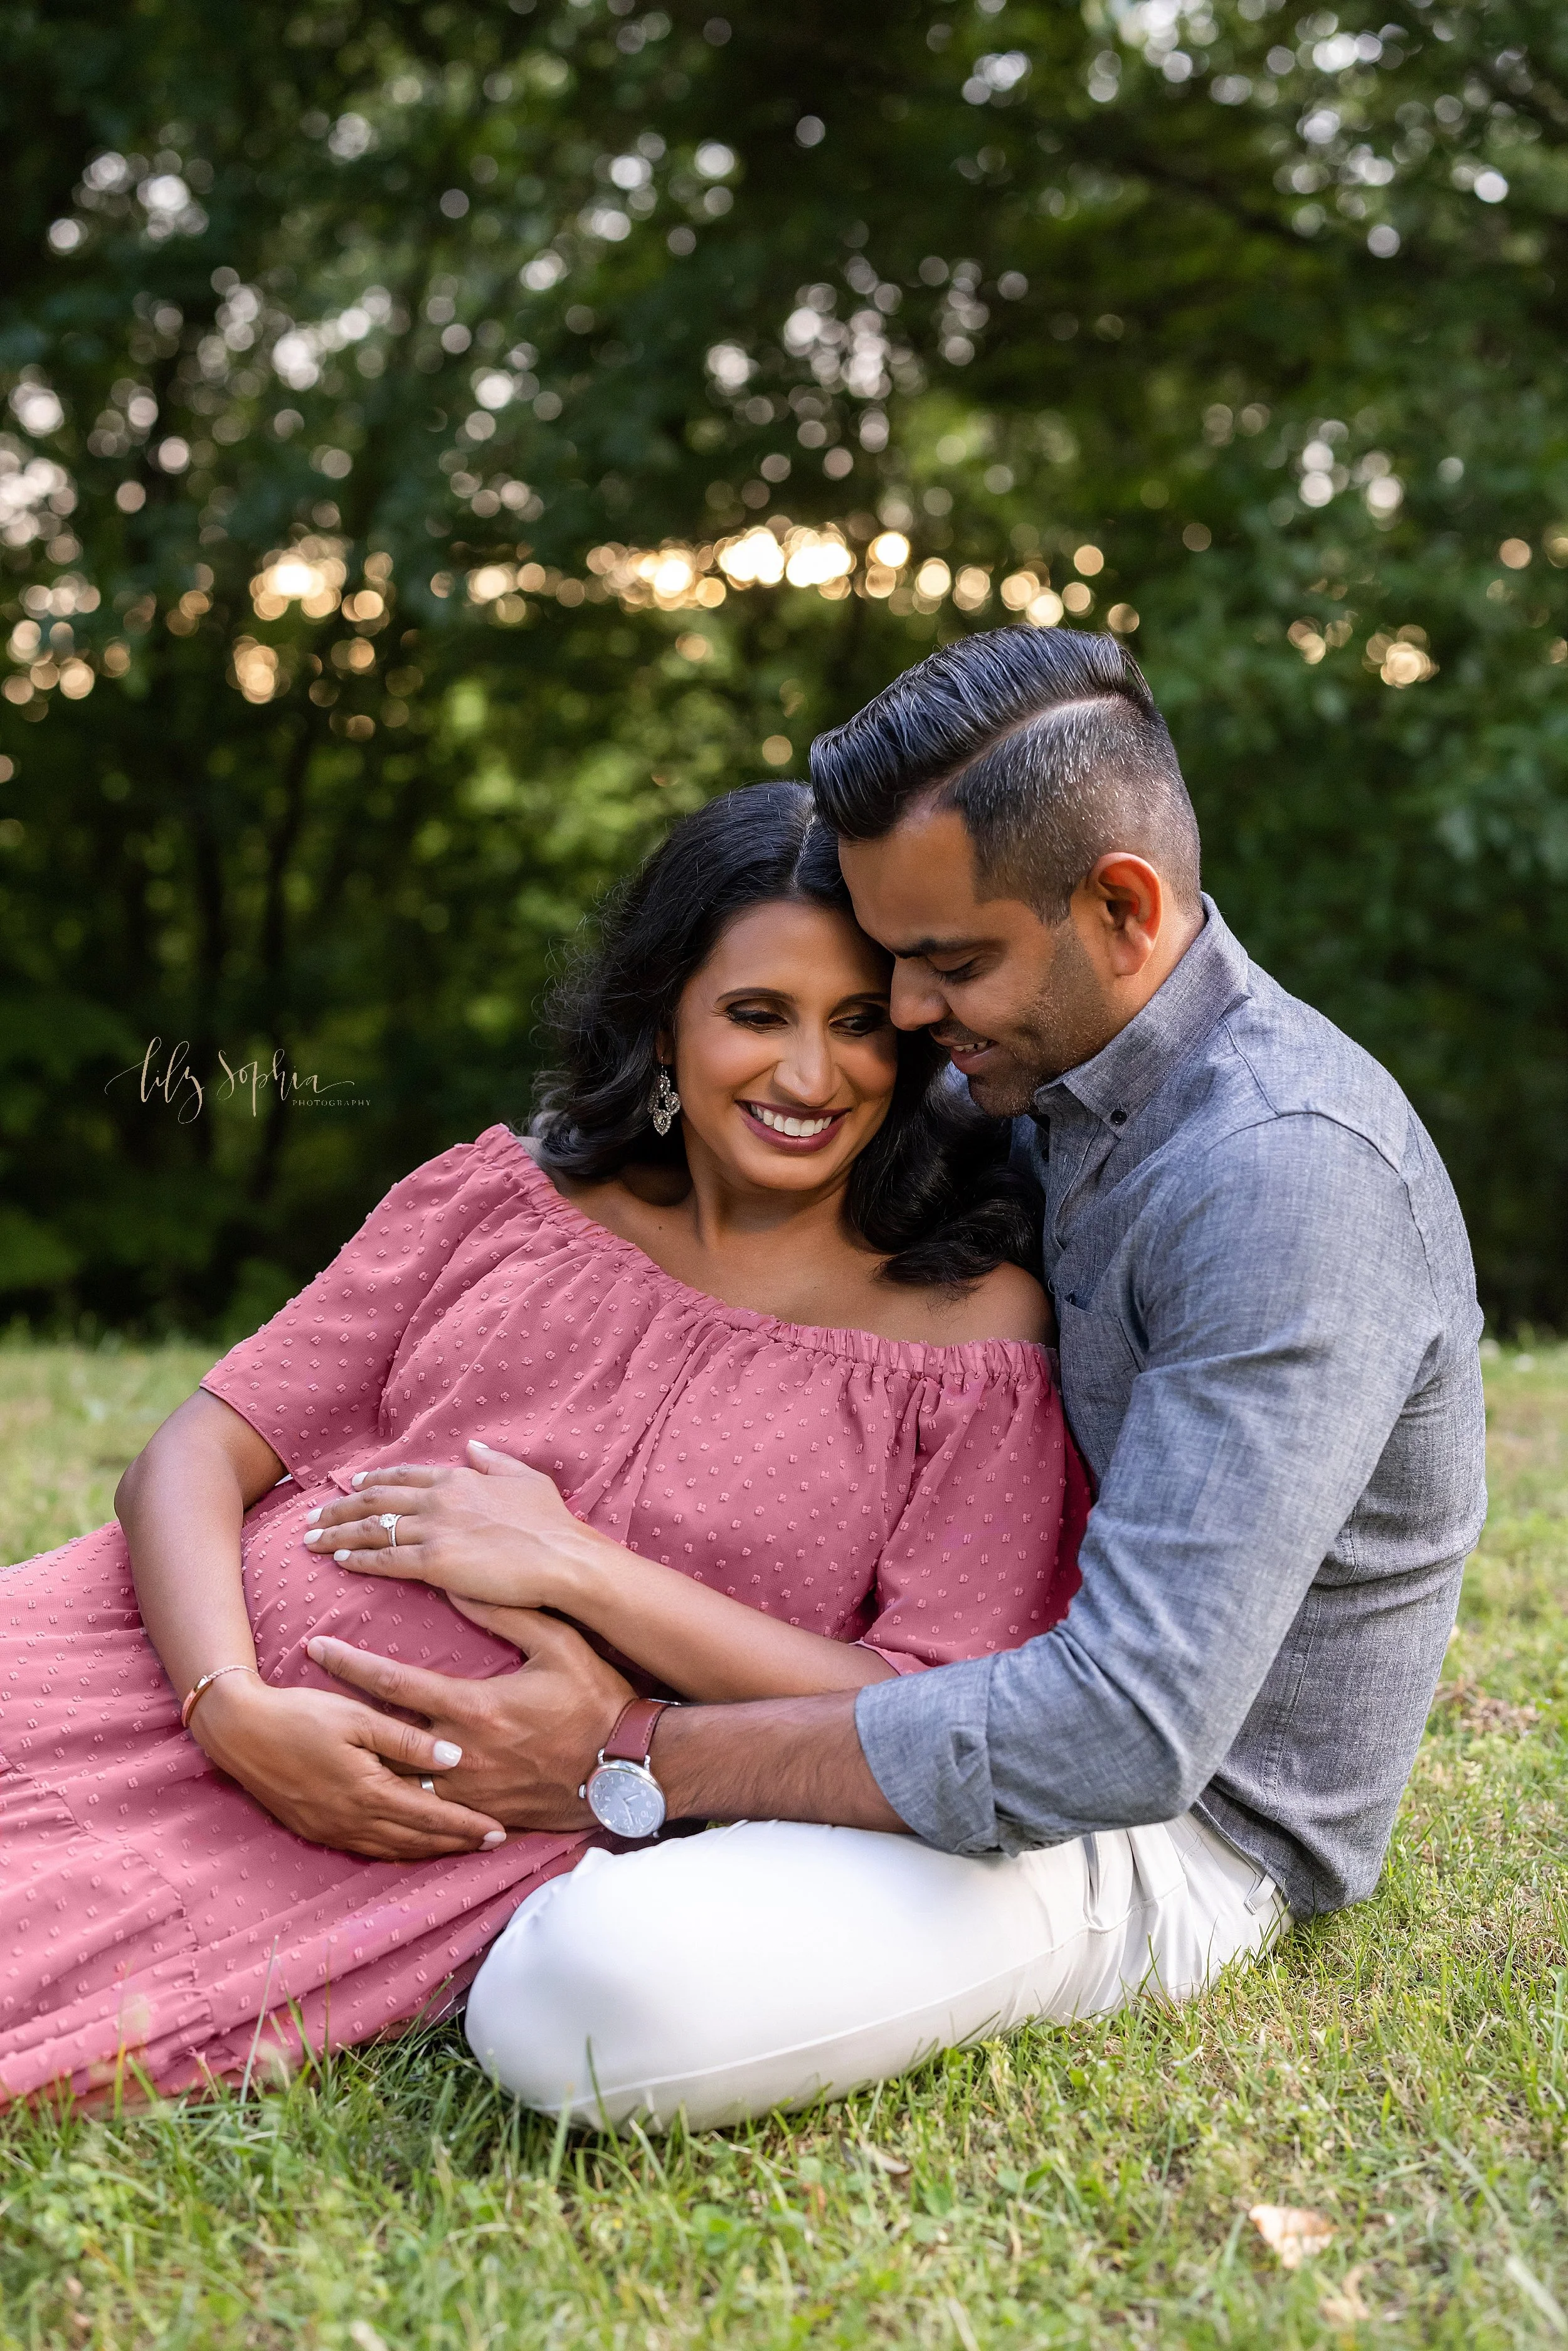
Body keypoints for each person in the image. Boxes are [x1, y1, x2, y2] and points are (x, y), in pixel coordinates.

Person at [309, 626, 1486, 2131]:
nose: (908, 1015)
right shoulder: (1031, 1064)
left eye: (943, 965)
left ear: (1119, 907)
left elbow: (1119, 1732)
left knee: (578, 2003)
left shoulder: (1284, 1183)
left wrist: (629, 1753)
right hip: (939, 1681)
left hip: (1161, 1825)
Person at [0, 783, 1087, 2106]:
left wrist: (579, 1567)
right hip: (147, 1660)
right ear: (664, 1019)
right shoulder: (506, 1199)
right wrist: (229, 1705)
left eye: (859, 1025)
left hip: (406, 1820)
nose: (811, 1075)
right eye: (757, 1013)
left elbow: (917, 1703)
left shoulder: (969, 1333)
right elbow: (191, 1453)